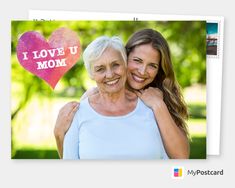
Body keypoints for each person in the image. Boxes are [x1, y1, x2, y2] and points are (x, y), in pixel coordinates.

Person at [54, 29, 189, 159]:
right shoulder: (87, 103)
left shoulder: (156, 101)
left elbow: (180, 157)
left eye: (152, 65)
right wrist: (59, 134)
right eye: (137, 60)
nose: (142, 71)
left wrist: (159, 105)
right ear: (126, 57)